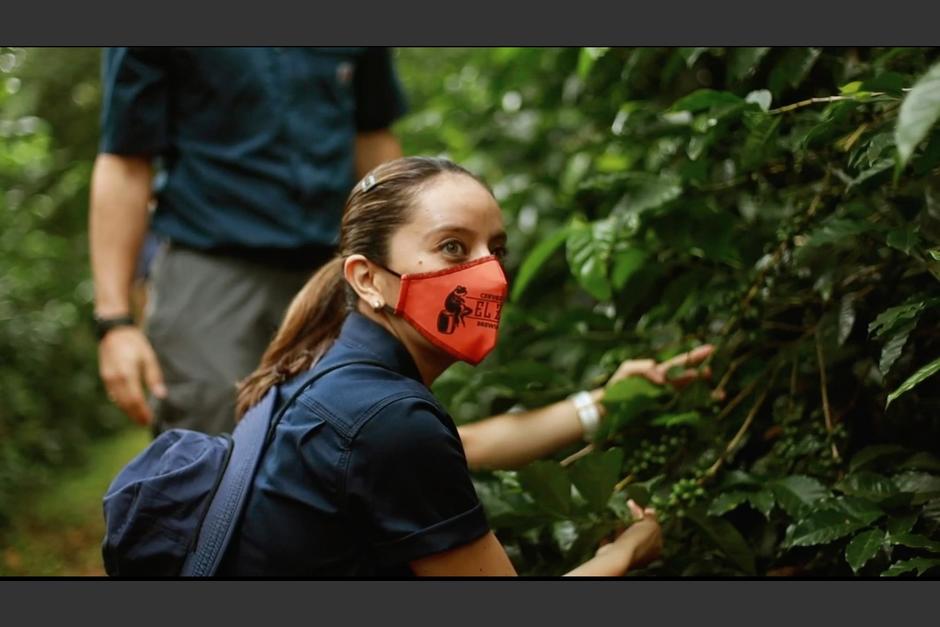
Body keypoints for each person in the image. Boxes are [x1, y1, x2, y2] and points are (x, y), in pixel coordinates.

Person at [217, 156, 713, 577]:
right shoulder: (386, 420)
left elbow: (464, 444)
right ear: (368, 278)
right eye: (452, 246)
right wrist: (627, 552)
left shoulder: (329, 363)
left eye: (496, 250)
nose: (489, 274)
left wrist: (605, 402)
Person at [89, 47, 407, 436]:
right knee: (210, 454)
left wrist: (401, 269)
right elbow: (125, 159)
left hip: (337, 270)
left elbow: (373, 135)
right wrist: (115, 322)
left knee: (354, 444)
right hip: (210, 275)